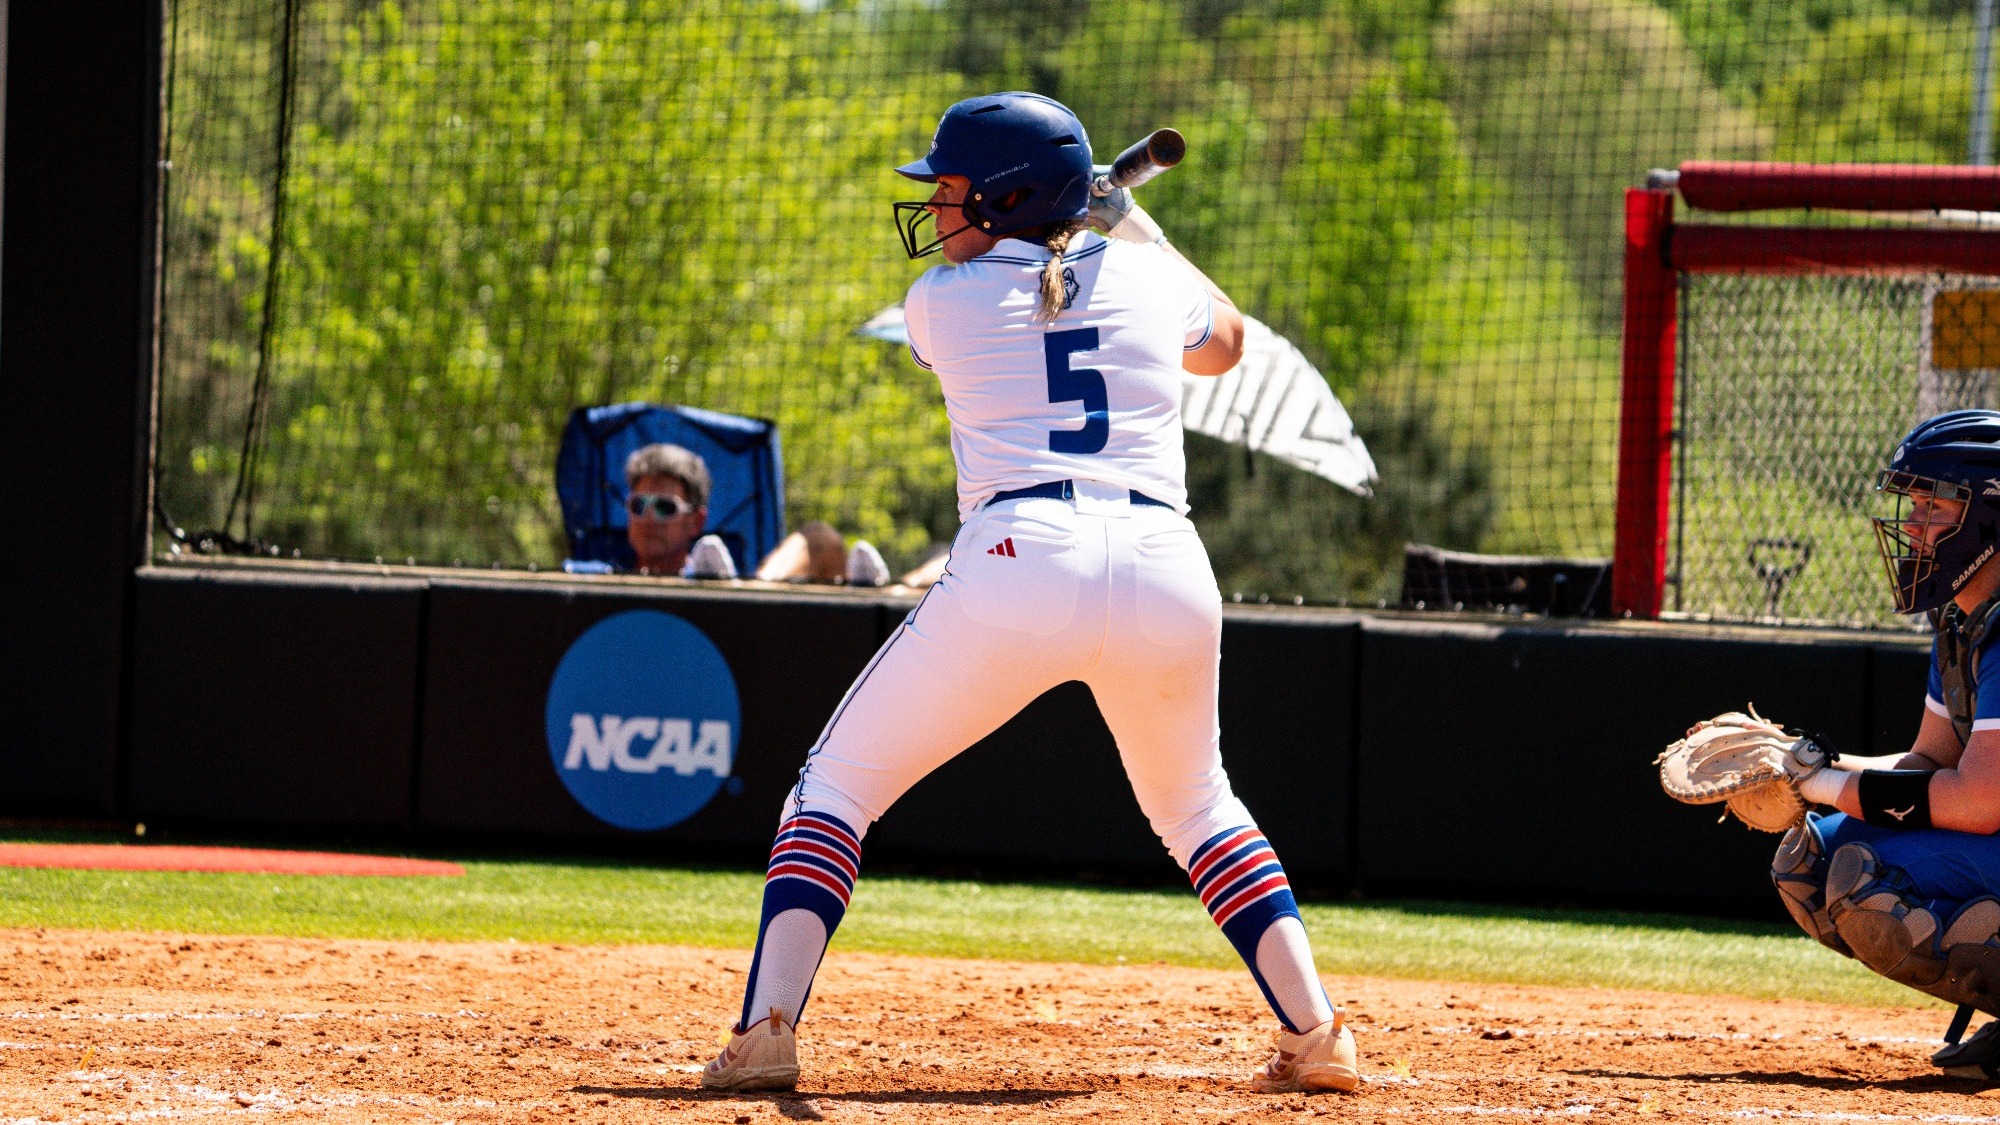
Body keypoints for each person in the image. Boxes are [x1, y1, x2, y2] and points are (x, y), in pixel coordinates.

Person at [701, 91, 1359, 1096]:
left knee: (831, 792)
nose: (936, 207)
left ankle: (766, 1031)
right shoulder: (1143, 277)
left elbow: (1031, 301)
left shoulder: (939, 301)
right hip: (1164, 567)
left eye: (952, 189)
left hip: (1020, 559)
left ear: (1006, 199)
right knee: (1197, 808)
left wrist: (1089, 227)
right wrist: (1128, 221)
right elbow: (1224, 342)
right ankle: (1317, 1034)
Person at [1769, 409, 2000, 1079]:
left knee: (1860, 873)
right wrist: (1798, 763)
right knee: (1809, 859)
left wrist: (1821, 783)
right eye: (1915, 504)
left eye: (1935, 505)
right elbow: (1927, 763)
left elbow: (1981, 799)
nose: (1915, 525)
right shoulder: (1964, 616)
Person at [622, 443, 734, 578]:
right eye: (639, 505)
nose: (648, 517)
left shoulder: (715, 586)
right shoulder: (596, 579)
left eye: (664, 507)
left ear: (696, 522)